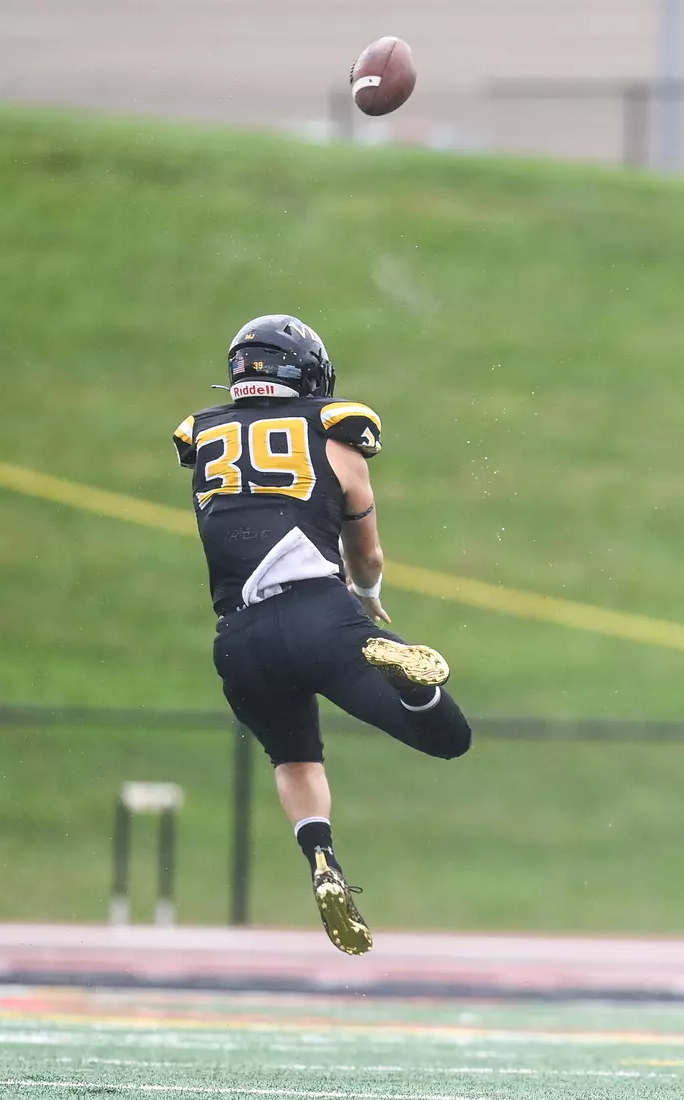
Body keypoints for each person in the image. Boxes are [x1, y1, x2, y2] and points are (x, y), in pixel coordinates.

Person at [173, 315, 472, 956]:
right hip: (321, 616)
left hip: (240, 640)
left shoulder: (201, 436)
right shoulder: (335, 434)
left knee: (295, 759)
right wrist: (368, 599)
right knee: (448, 738)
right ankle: (403, 675)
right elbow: (364, 551)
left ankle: (322, 856)